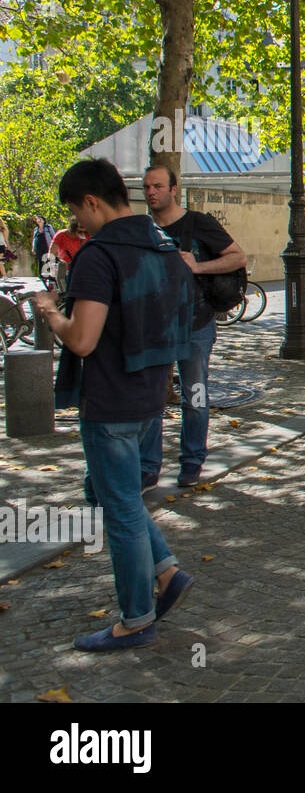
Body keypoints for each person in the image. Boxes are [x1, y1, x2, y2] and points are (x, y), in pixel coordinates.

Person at [32, 159, 196, 651]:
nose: (77, 224)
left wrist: (50, 313)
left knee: (119, 509)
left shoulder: (99, 255)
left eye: (76, 213)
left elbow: (82, 339)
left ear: (91, 202)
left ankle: (136, 618)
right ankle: (166, 572)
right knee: (110, 496)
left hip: (110, 400)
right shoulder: (162, 244)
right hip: (149, 394)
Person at [142, 165, 247, 488]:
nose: (151, 192)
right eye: (147, 187)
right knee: (150, 399)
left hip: (195, 326)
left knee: (195, 396)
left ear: (174, 189)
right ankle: (147, 467)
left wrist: (197, 266)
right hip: (153, 328)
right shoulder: (141, 229)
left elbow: (237, 257)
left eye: (158, 186)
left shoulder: (198, 223)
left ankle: (191, 461)